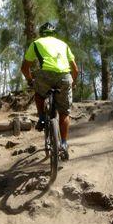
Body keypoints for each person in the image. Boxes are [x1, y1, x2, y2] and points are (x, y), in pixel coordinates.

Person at [21, 22, 79, 158]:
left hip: (45, 76)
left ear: (41, 34)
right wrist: (73, 83)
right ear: (54, 34)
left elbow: (24, 68)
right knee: (64, 113)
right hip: (64, 77)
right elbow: (75, 69)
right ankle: (64, 143)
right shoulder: (64, 45)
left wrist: (30, 81)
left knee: (39, 93)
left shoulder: (36, 43)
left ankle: (41, 117)